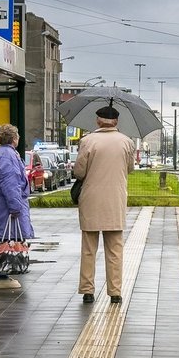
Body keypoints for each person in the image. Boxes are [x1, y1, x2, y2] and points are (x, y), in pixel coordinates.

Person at [72, 105, 135, 304]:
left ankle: (87, 291)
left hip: (91, 200)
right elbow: (130, 168)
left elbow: (79, 172)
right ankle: (115, 292)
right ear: (116, 122)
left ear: (98, 121)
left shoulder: (87, 141)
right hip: (115, 200)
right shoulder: (127, 142)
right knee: (115, 249)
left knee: (89, 249)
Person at [0, 123, 34, 290]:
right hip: (8, 206)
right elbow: (10, 183)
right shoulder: (8, 156)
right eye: (18, 136)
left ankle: (0, 273)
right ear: (14, 138)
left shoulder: (0, 153)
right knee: (8, 240)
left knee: (4, 239)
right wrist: (15, 207)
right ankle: (1, 274)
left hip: (1, 204)